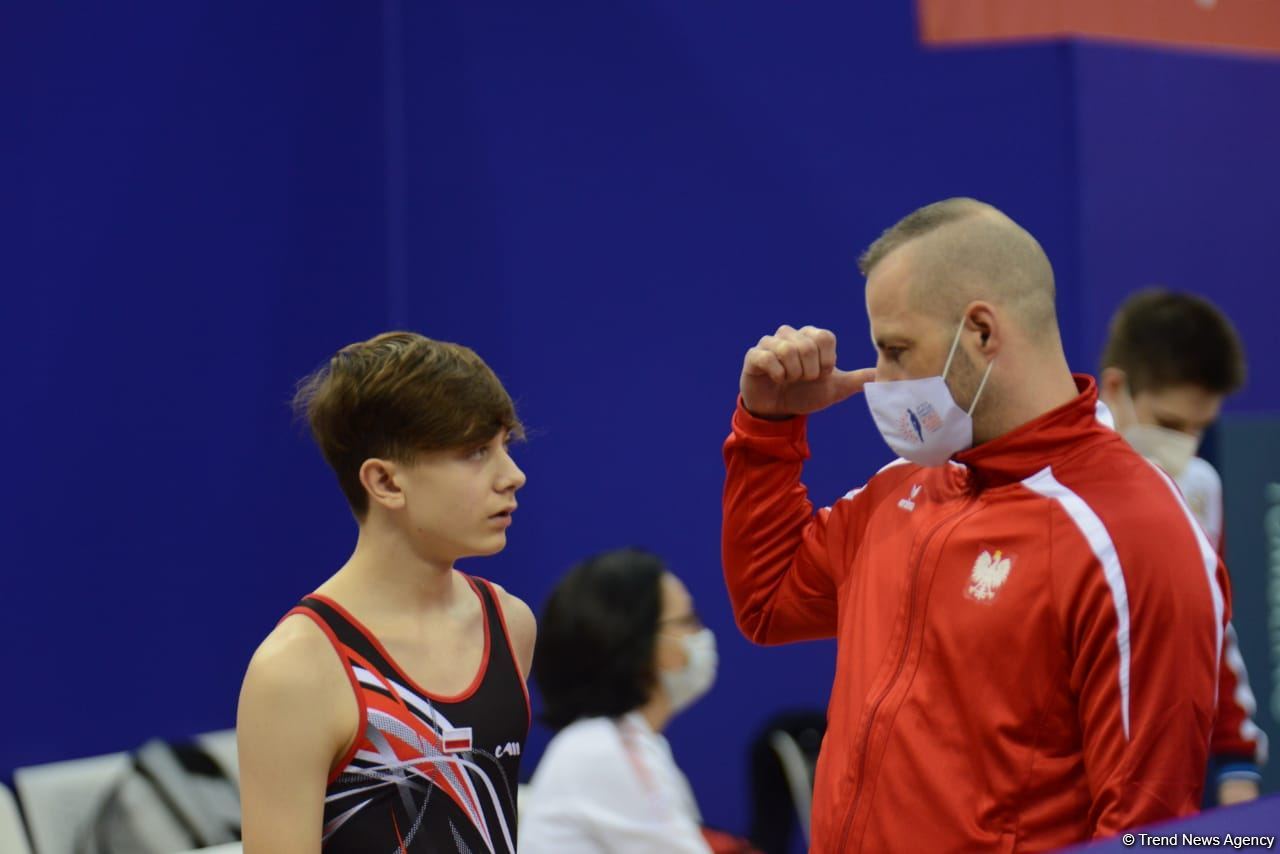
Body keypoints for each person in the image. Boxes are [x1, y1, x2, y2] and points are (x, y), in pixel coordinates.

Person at [722, 198, 1231, 851]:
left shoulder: (1133, 535)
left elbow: (1146, 826)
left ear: (983, 332)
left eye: (896, 349)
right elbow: (768, 602)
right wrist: (767, 430)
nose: (878, 379)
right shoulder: (903, 490)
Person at [236, 332, 535, 854]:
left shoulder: (510, 625)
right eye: (475, 452)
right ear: (385, 483)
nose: (513, 476)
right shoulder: (297, 670)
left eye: (505, 445)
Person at [1098, 288, 1266, 804]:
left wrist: (1237, 757)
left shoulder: (1199, 485)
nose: (1185, 445)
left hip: (1166, 779)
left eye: (1200, 428)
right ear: (1117, 388)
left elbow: (1209, 622)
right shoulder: (1056, 479)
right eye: (1171, 424)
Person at [521, 548, 744, 854]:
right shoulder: (602, 751)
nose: (701, 635)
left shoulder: (622, 742)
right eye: (688, 620)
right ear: (637, 642)